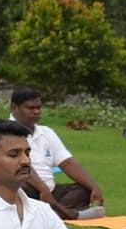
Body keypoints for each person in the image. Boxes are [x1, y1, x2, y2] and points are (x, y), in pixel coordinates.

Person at [8, 87, 104, 218]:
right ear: (14, 107)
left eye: (39, 108)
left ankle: (50, 212)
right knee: (19, 189)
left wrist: (93, 186)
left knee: (84, 189)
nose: (36, 112)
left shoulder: (46, 132)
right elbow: (22, 166)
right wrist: (43, 189)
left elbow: (67, 162)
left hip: (49, 191)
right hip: (24, 186)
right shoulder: (6, 131)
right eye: (30, 108)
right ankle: (71, 215)